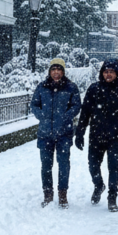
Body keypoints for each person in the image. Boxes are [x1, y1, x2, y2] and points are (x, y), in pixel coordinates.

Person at [74, 59, 118, 212]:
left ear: (117, 74)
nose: (108, 74)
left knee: (113, 167)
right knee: (93, 165)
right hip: (96, 135)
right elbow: (85, 113)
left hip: (115, 135)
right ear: (102, 73)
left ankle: (112, 196)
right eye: (106, 72)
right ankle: (99, 185)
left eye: (111, 72)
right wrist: (80, 133)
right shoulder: (93, 89)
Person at [30, 58, 82, 208]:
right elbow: (34, 104)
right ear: (49, 71)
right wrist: (42, 115)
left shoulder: (70, 87)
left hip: (64, 133)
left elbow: (76, 105)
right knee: (46, 165)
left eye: (59, 69)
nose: (56, 72)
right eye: (53, 69)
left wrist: (66, 116)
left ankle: (62, 194)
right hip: (45, 133)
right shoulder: (42, 87)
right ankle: (48, 194)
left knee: (64, 164)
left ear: (63, 71)